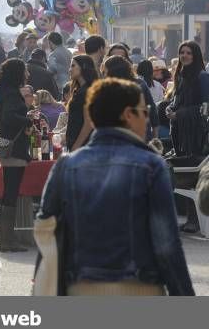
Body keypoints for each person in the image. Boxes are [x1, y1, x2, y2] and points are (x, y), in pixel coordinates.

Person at [37, 78, 194, 296]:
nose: (147, 118)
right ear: (129, 115)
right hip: (139, 288)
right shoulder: (151, 166)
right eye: (144, 111)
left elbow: (46, 231)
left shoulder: (66, 166)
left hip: (80, 287)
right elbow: (166, 242)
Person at [0, 58, 34, 252]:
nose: (27, 74)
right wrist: (27, 120)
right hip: (14, 147)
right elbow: (9, 117)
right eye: (24, 71)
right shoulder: (11, 93)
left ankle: (7, 238)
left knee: (10, 190)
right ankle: (7, 240)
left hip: (5, 144)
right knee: (11, 191)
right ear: (18, 73)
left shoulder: (1, 91)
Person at [167, 41, 209, 233]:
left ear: (196, 55)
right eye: (182, 52)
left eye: (189, 53)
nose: (184, 56)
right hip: (181, 135)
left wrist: (181, 114)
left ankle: (194, 219)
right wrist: (170, 109)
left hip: (197, 137)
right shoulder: (181, 77)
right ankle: (191, 219)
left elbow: (205, 108)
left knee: (189, 176)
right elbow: (178, 101)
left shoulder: (202, 77)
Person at [102, 55, 159, 140]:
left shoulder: (109, 88)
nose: (104, 74)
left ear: (112, 71)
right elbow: (152, 109)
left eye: (105, 71)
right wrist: (155, 136)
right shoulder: (140, 83)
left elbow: (152, 110)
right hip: (140, 135)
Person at [65, 55, 98, 151]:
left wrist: (76, 146)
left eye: (73, 66)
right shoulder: (79, 90)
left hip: (84, 146)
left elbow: (88, 123)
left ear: (83, 67)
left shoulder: (87, 91)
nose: (69, 70)